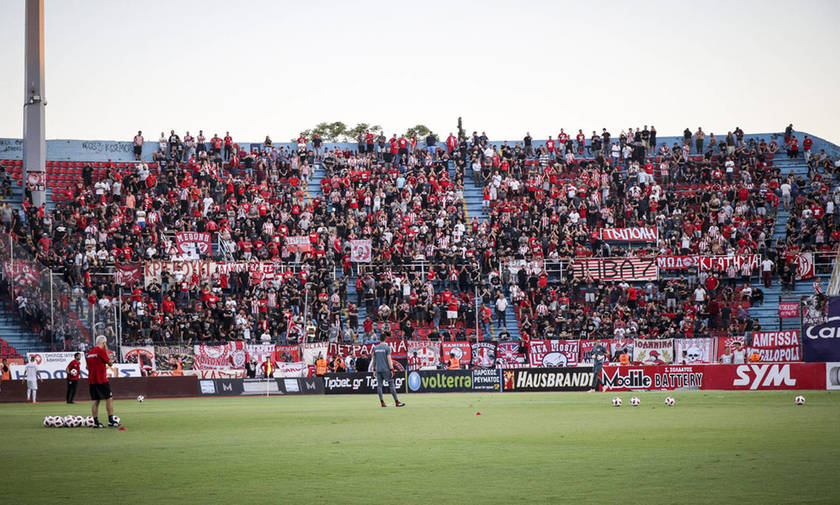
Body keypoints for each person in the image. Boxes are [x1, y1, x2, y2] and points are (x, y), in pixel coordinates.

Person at [86, 335, 120, 428]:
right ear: (104, 343)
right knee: (109, 398)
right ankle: (111, 420)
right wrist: (107, 352)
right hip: (101, 379)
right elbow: (110, 363)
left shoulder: (89, 353)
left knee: (95, 401)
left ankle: (96, 422)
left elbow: (87, 367)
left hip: (92, 380)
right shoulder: (101, 351)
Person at [372, 341, 404, 408]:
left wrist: (373, 368)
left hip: (378, 369)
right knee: (391, 384)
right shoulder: (387, 348)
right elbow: (389, 359)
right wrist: (392, 369)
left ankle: (382, 402)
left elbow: (374, 359)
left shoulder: (375, 348)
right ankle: (397, 402)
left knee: (379, 386)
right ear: (385, 340)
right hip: (386, 369)